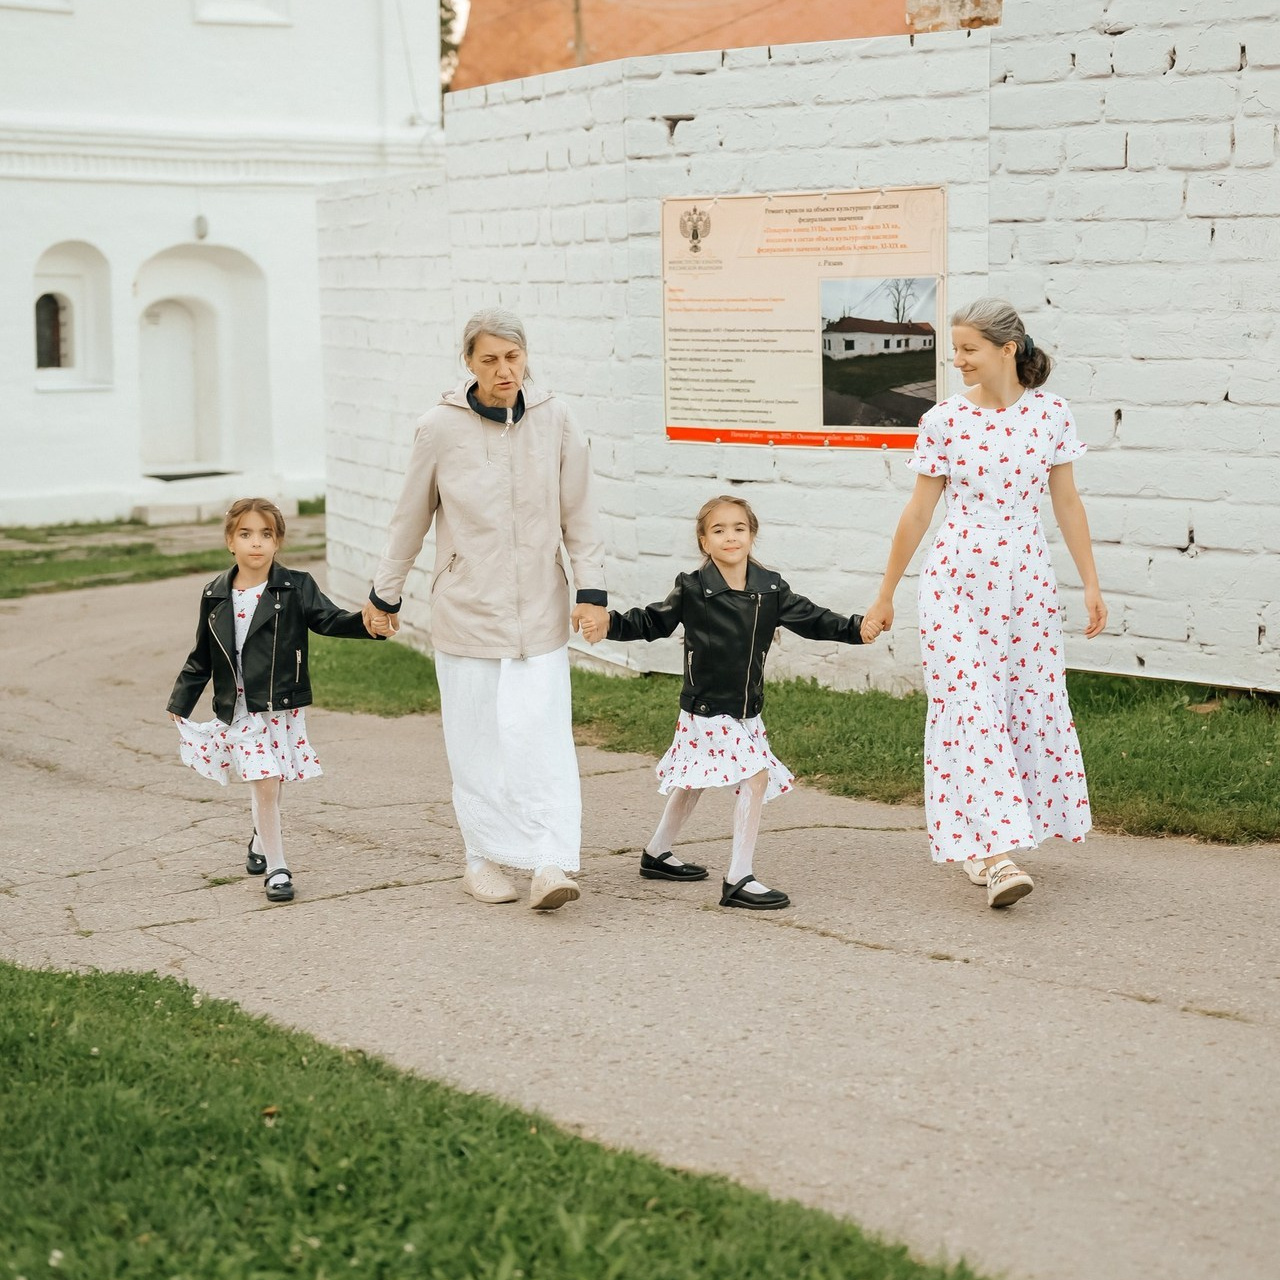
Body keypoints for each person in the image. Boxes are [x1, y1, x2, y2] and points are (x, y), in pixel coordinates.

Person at [860, 298, 1107, 908]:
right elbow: (919, 511)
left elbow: (1067, 504)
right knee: (969, 705)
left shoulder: (1050, 415)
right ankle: (995, 856)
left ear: (1007, 350)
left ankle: (989, 838)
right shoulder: (944, 420)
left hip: (1027, 583)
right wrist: (887, 591)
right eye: (956, 348)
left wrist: (1092, 583)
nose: (958, 359)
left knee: (1024, 701)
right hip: (956, 584)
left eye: (969, 348)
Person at [362, 308, 609, 912]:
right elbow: (410, 517)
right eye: (490, 359)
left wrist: (592, 592)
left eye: (513, 357)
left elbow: (580, 511)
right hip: (466, 610)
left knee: (541, 738)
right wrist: (384, 593)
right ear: (468, 363)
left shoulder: (555, 418)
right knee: (477, 743)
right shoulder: (438, 428)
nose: (504, 370)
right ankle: (483, 859)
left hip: (542, 614)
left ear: (527, 357)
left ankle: (551, 863)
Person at [580, 495, 865, 910]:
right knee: (755, 776)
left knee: (693, 779)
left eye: (738, 528)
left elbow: (816, 619)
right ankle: (739, 878)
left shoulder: (771, 589)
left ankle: (657, 854)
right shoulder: (694, 589)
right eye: (718, 530)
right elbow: (651, 621)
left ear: (751, 535)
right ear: (703, 541)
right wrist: (609, 624)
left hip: (747, 710)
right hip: (706, 709)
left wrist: (858, 629)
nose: (730, 536)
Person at [166, 498, 378, 903]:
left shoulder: (296, 586)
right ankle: (278, 869)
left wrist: (369, 626)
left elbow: (329, 620)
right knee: (264, 780)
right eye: (245, 534)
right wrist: (180, 700)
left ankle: (260, 843)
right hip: (239, 709)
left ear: (278, 541)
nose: (256, 543)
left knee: (273, 779)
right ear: (231, 541)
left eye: (266, 534)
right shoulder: (214, 594)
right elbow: (202, 657)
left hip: (279, 704)